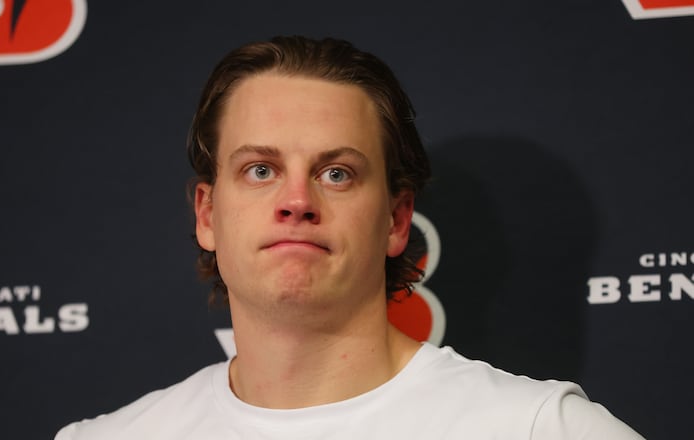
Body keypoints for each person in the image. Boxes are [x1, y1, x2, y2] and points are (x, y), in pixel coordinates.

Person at [55, 36, 643, 439]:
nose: (296, 201)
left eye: (336, 173)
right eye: (260, 169)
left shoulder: (540, 429)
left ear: (395, 220)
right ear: (207, 214)